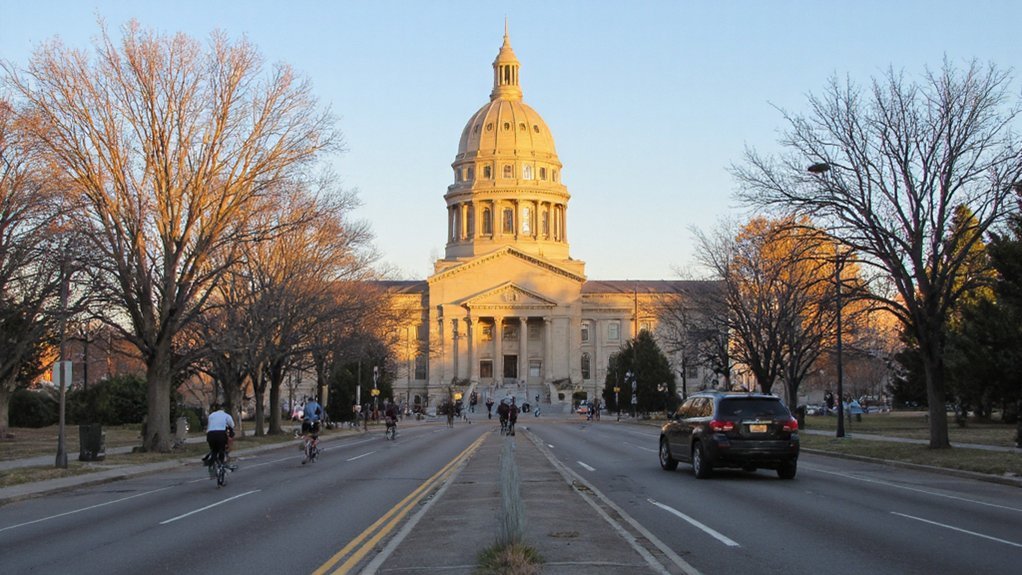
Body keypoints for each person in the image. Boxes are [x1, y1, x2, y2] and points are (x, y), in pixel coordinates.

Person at [204, 403, 235, 475]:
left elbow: (209, 426)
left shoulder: (211, 415)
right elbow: (232, 425)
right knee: (222, 449)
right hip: (220, 434)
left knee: (214, 450)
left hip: (210, 434)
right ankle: (222, 464)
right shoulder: (226, 415)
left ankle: (212, 463)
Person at [302, 396, 323, 464]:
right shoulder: (316, 405)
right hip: (315, 422)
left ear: (308, 401)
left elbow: (304, 415)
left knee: (306, 437)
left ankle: (306, 455)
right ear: (314, 400)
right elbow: (320, 413)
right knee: (315, 437)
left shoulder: (306, 406)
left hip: (306, 422)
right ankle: (313, 449)